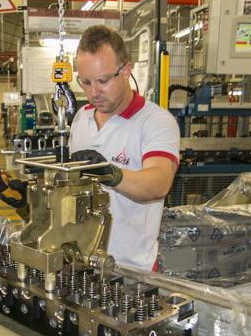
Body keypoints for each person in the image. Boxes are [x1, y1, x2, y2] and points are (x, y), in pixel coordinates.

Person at [68, 25, 180, 271]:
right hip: (80, 263)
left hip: (130, 269)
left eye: (103, 80)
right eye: (85, 82)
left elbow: (158, 183)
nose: (93, 92)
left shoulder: (155, 121)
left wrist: (109, 172)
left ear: (126, 70)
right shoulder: (81, 118)